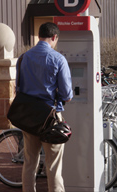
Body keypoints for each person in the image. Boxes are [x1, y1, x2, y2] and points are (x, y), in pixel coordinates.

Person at [17, 22, 73, 192]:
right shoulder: (58, 59)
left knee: (29, 163)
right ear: (54, 37)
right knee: (53, 166)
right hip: (51, 118)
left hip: (29, 117)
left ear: (39, 36)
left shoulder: (24, 57)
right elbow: (67, 95)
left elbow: (18, 88)